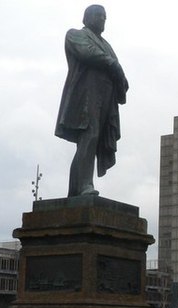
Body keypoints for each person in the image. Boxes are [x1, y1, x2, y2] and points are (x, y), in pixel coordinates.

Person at [55, 5, 128, 197]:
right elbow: (87, 53)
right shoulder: (76, 34)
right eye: (99, 15)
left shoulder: (107, 44)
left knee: (92, 140)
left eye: (105, 17)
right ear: (87, 17)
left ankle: (76, 190)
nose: (103, 19)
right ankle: (84, 186)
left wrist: (120, 77)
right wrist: (113, 65)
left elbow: (117, 70)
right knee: (90, 135)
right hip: (85, 95)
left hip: (106, 97)